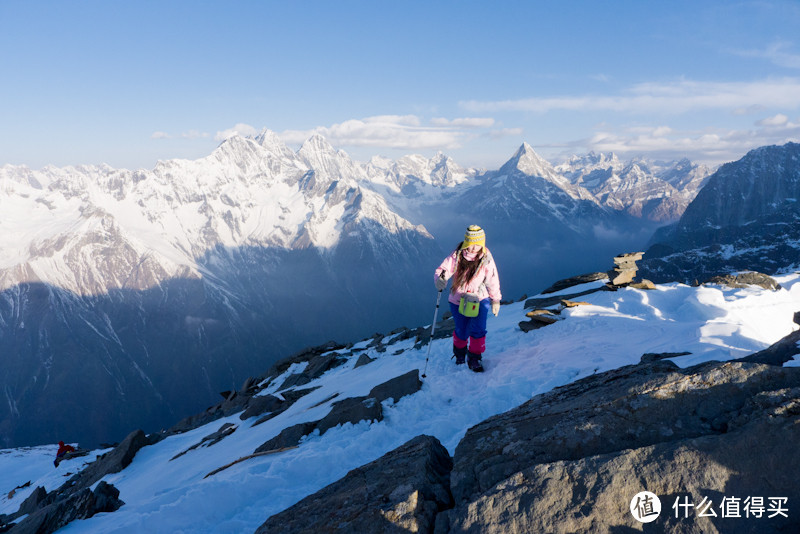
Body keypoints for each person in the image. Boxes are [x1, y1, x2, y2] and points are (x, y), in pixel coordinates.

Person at [434, 225, 501, 372]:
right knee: (462, 330)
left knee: (478, 330)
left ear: (482, 243)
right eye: (470, 244)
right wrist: (440, 279)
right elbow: (443, 270)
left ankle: (475, 358)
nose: (473, 248)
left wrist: (495, 299)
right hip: (458, 299)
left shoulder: (486, 258)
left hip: (479, 299)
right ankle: (459, 354)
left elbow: (492, 279)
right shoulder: (457, 255)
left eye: (477, 244)